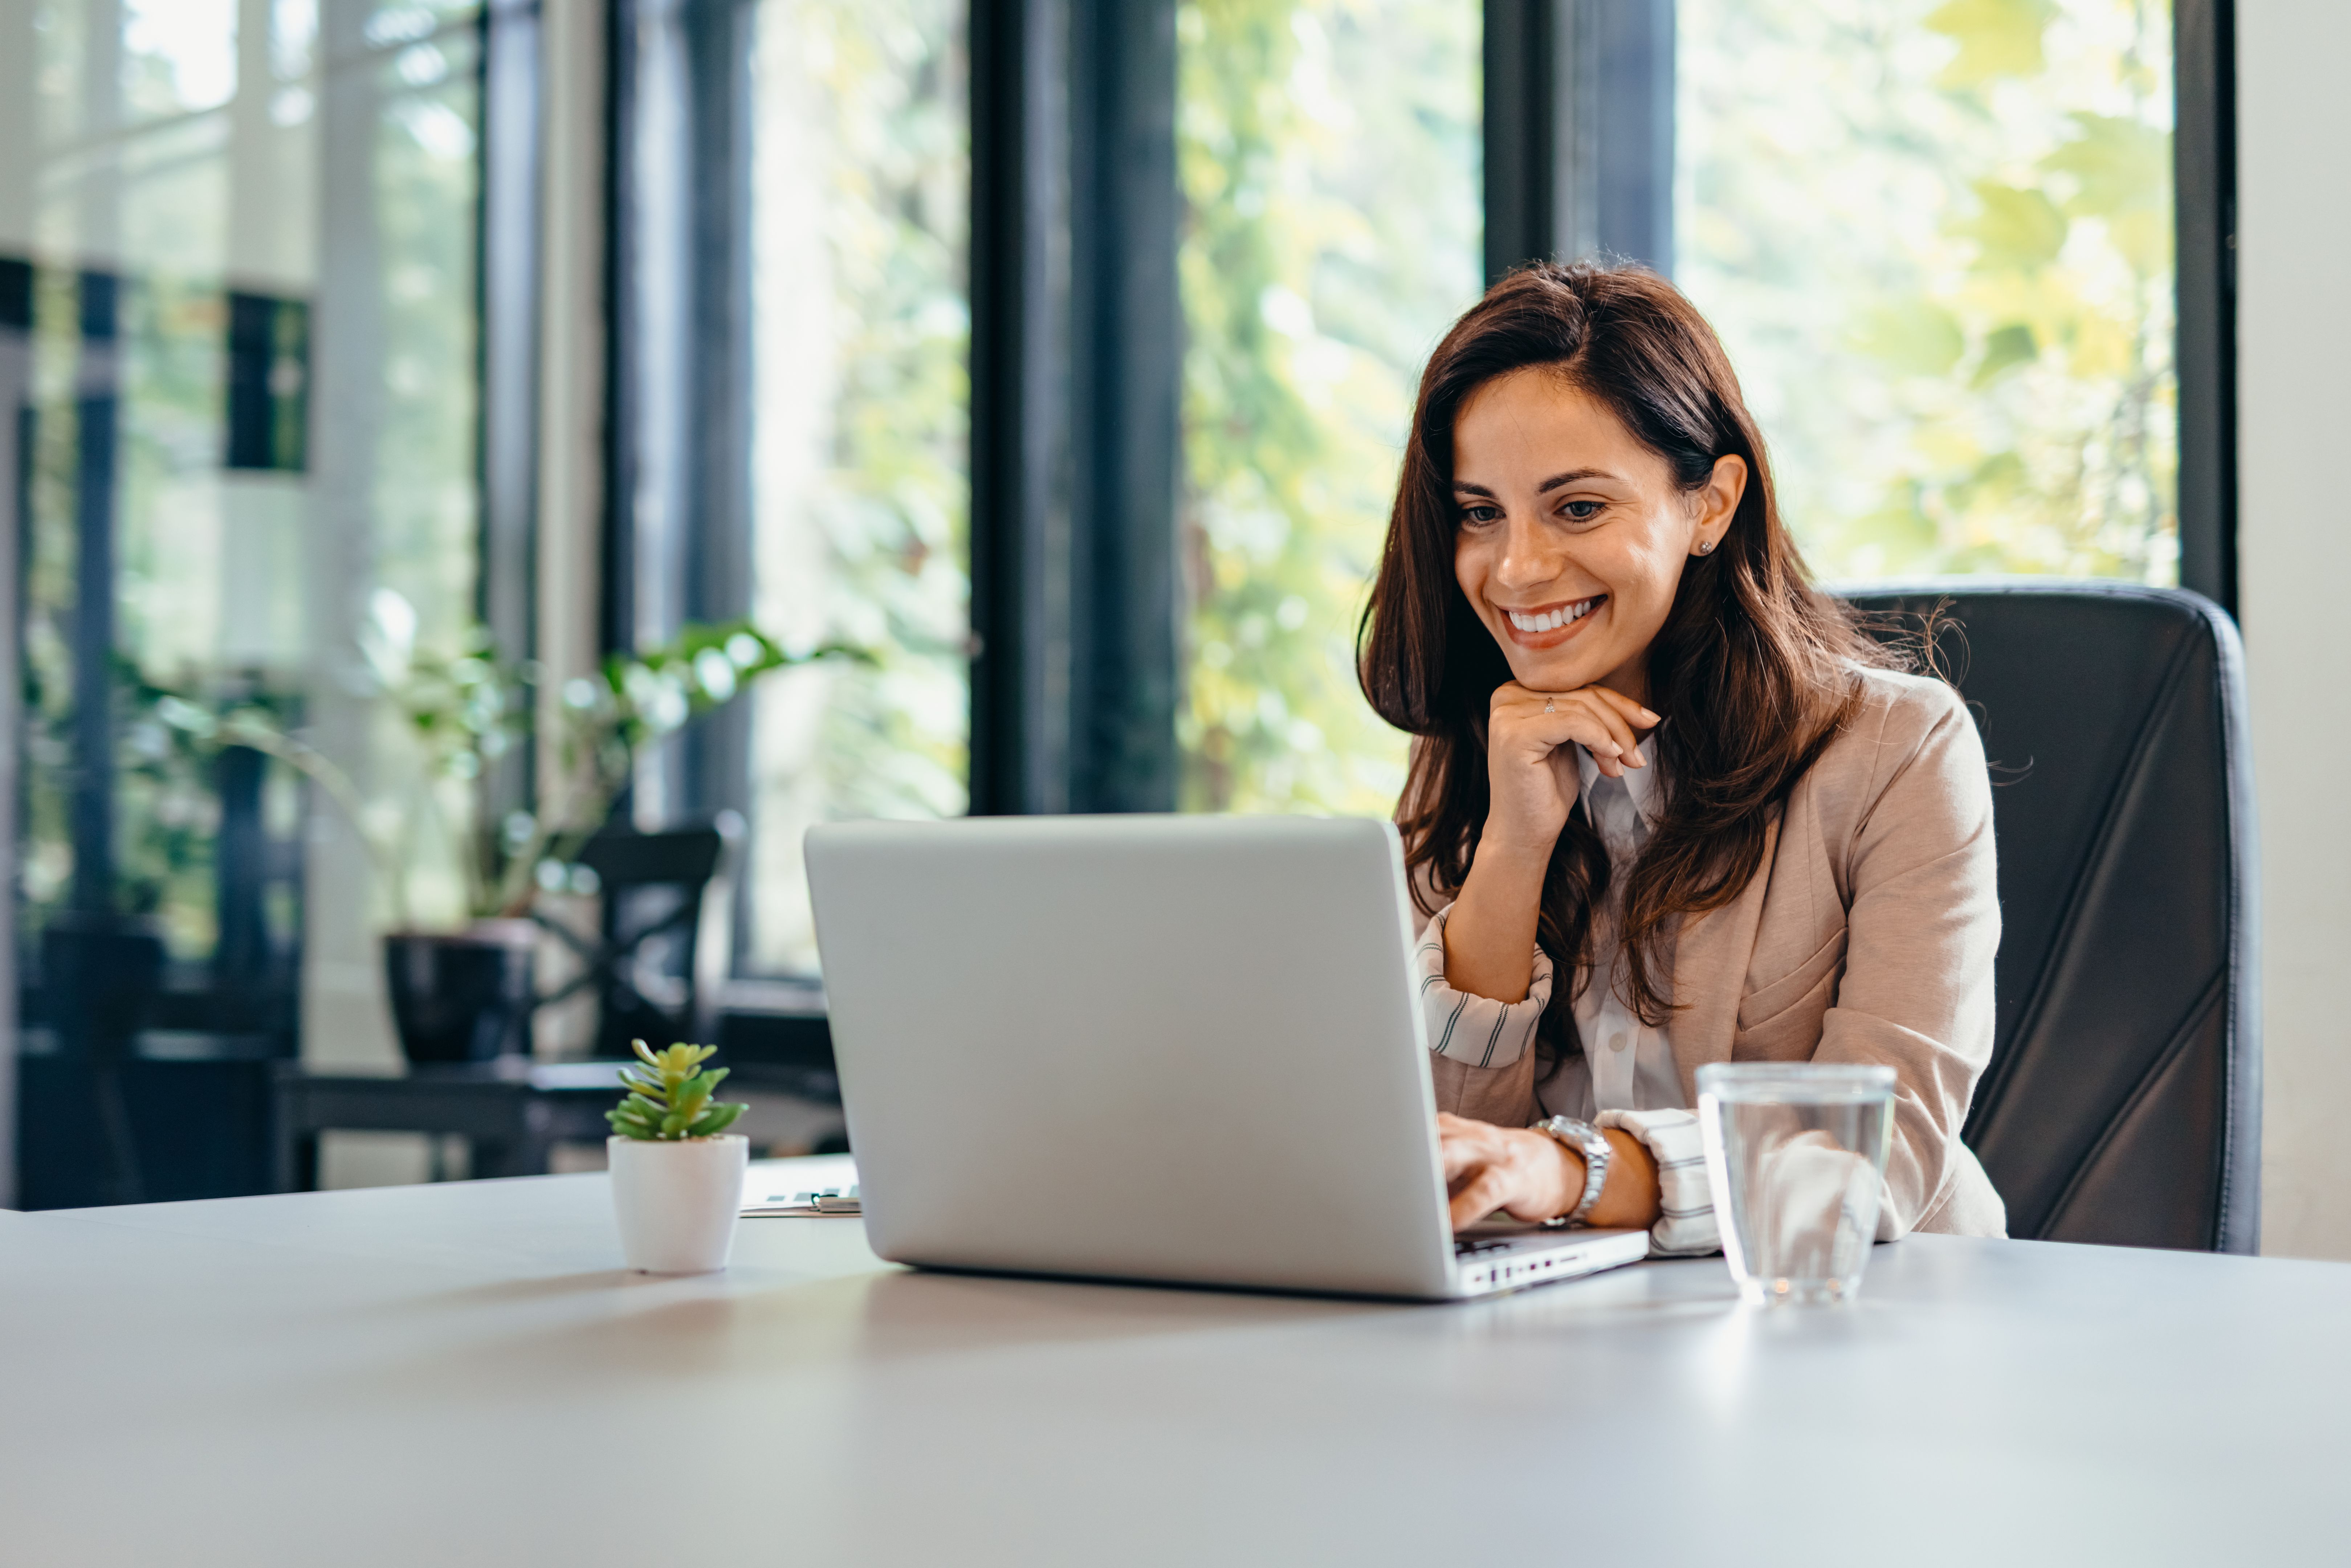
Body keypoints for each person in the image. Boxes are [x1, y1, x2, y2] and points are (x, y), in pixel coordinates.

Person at [1358, 260, 2006, 1254]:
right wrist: (1512, 852)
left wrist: (1569, 1173)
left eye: (1577, 509)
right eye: (1480, 513)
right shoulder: (1476, 752)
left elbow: (1875, 1157)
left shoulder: (1896, 752)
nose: (1517, 569)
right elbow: (1440, 1160)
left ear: (1709, 504)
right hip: (1561, 1342)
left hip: (1858, 1328)